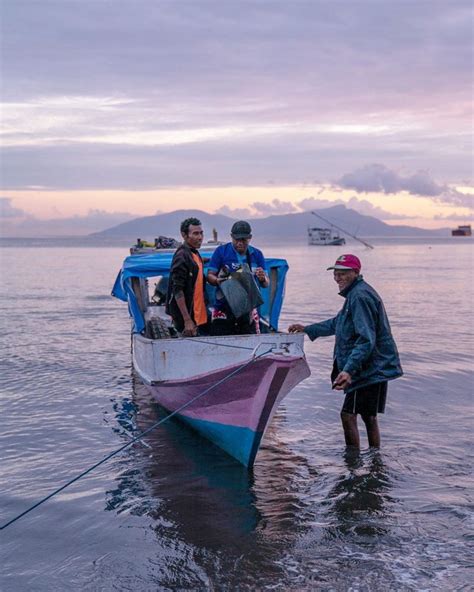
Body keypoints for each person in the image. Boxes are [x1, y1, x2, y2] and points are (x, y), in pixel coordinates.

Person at [288, 254, 402, 449]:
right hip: (375, 366)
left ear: (356, 273)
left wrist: (348, 370)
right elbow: (338, 323)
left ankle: (353, 465)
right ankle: (374, 462)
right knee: (368, 416)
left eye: (343, 274)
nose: (337, 278)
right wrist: (308, 328)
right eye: (336, 274)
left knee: (348, 415)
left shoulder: (359, 296)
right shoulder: (356, 294)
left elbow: (366, 340)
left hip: (368, 369)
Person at [207, 220, 269, 335]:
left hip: (248, 311)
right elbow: (210, 275)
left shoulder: (257, 254)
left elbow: (266, 284)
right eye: (237, 240)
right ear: (231, 237)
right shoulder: (221, 252)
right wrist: (217, 281)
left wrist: (262, 278)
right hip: (223, 310)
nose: (240, 243)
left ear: (250, 238)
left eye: (243, 240)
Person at [165, 217, 208, 337]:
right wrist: (187, 320)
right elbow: (177, 290)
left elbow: (196, 265)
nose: (200, 237)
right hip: (186, 320)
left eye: (201, 233)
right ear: (184, 235)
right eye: (195, 234)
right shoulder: (181, 256)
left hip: (198, 315)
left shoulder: (194, 253)